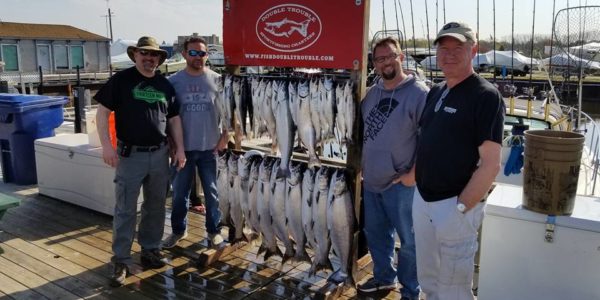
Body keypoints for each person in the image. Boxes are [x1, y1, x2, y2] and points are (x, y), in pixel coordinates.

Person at [414, 22, 505, 300]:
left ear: (473, 51)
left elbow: (491, 164)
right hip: (423, 199)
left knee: (454, 287)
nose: (449, 54)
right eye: (444, 48)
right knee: (428, 280)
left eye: (458, 48)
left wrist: (461, 208)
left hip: (454, 205)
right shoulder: (436, 90)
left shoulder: (485, 95)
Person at [95, 36, 186, 287]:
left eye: (154, 55)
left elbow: (174, 119)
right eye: (144, 54)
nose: (149, 59)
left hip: (160, 154)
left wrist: (180, 149)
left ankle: (150, 250)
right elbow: (102, 113)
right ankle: (121, 259)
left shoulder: (164, 85)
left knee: (156, 206)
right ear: (135, 55)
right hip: (129, 155)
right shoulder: (121, 81)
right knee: (125, 209)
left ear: (159, 59)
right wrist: (107, 146)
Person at [357, 37, 428, 300]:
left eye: (390, 56)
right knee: (375, 235)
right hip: (372, 181)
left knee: (409, 242)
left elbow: (429, 139)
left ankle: (411, 291)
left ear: (401, 56)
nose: (386, 62)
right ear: (374, 63)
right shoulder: (371, 94)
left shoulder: (419, 93)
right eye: (379, 58)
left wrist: (414, 174)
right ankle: (384, 279)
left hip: (401, 185)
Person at [161, 37, 228, 249]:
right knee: (179, 194)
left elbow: (229, 113)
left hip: (210, 148)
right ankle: (179, 230)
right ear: (184, 54)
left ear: (207, 55)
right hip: (183, 150)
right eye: (193, 53)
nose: (198, 57)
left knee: (213, 193)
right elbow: (166, 116)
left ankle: (214, 231)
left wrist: (224, 138)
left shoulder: (218, 80)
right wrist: (172, 143)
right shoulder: (173, 82)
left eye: (202, 53)